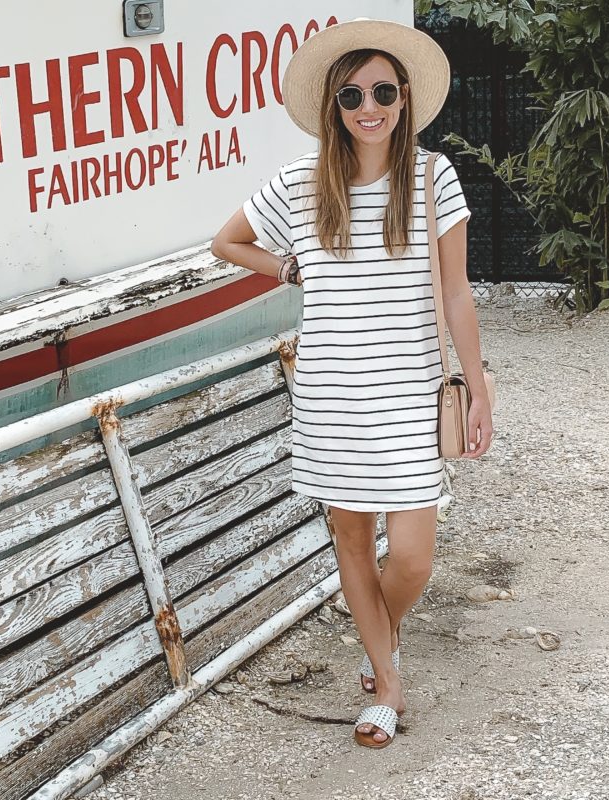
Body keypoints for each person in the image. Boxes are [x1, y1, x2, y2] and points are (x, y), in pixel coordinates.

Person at [210, 18, 494, 748]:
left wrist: (479, 385)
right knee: (350, 541)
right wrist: (284, 266)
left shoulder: (434, 178)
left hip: (407, 395)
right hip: (332, 396)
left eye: (383, 91)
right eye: (351, 95)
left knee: (410, 558)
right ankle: (386, 686)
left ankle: (381, 630)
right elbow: (225, 242)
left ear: (403, 100)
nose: (369, 106)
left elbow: (457, 293)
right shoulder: (303, 184)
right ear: (334, 106)